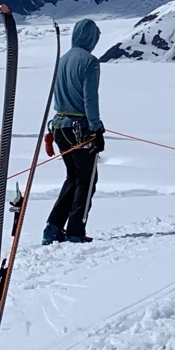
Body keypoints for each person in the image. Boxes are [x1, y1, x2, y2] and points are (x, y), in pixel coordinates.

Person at [42, 18, 105, 244]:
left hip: (60, 127)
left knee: (73, 176)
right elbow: (90, 99)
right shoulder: (90, 62)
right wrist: (96, 128)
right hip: (80, 128)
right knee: (87, 180)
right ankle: (76, 230)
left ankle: (53, 226)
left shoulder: (62, 60)